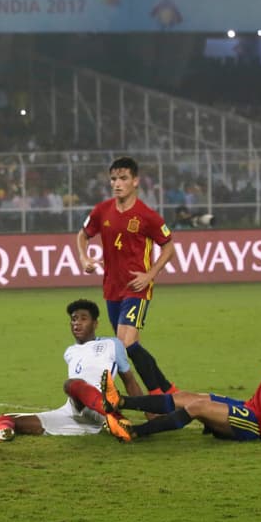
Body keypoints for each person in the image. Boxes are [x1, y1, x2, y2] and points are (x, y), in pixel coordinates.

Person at [100, 305, 261, 442]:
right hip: (249, 408)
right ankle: (120, 402)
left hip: (258, 425)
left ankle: (135, 432)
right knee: (186, 397)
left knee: (196, 407)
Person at [75, 156, 178, 396]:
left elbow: (169, 246)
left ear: (135, 182)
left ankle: (155, 395)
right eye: (113, 179)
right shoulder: (102, 210)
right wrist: (84, 258)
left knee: (124, 344)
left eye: (123, 178)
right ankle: (167, 389)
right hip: (112, 287)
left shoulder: (147, 215)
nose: (117, 183)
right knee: (130, 347)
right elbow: (82, 235)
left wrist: (150, 274)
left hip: (137, 286)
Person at [0, 298, 144, 442]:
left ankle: (117, 420)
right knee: (7, 418)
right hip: (73, 411)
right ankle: (0, 435)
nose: (77, 323)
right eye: (74, 319)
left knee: (72, 384)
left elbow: (130, 382)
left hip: (100, 408)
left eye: (83, 318)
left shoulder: (112, 344)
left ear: (95, 323)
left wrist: (152, 416)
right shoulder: (70, 352)